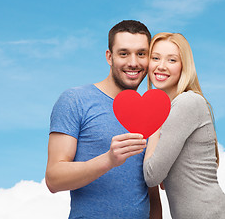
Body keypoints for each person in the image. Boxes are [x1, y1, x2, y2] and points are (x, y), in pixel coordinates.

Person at [45, 20, 162, 219]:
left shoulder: (152, 113)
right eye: (124, 53)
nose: (133, 62)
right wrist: (108, 160)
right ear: (109, 57)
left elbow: (151, 191)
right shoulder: (75, 100)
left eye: (141, 54)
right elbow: (53, 179)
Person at [143, 32, 225, 219]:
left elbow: (152, 176)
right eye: (155, 58)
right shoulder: (173, 109)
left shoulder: (187, 103)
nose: (161, 66)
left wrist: (153, 123)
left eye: (171, 60)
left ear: (183, 66)